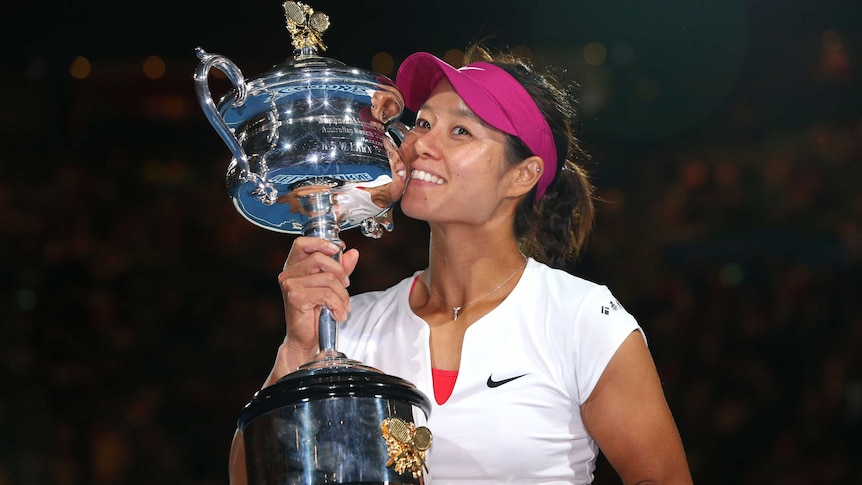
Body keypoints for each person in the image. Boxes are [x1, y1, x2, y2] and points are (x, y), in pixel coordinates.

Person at [229, 45, 693, 484]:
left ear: (521, 175)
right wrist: (296, 351)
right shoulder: (350, 323)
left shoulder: (581, 318)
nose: (421, 144)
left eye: (460, 131)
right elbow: (254, 475)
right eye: (424, 123)